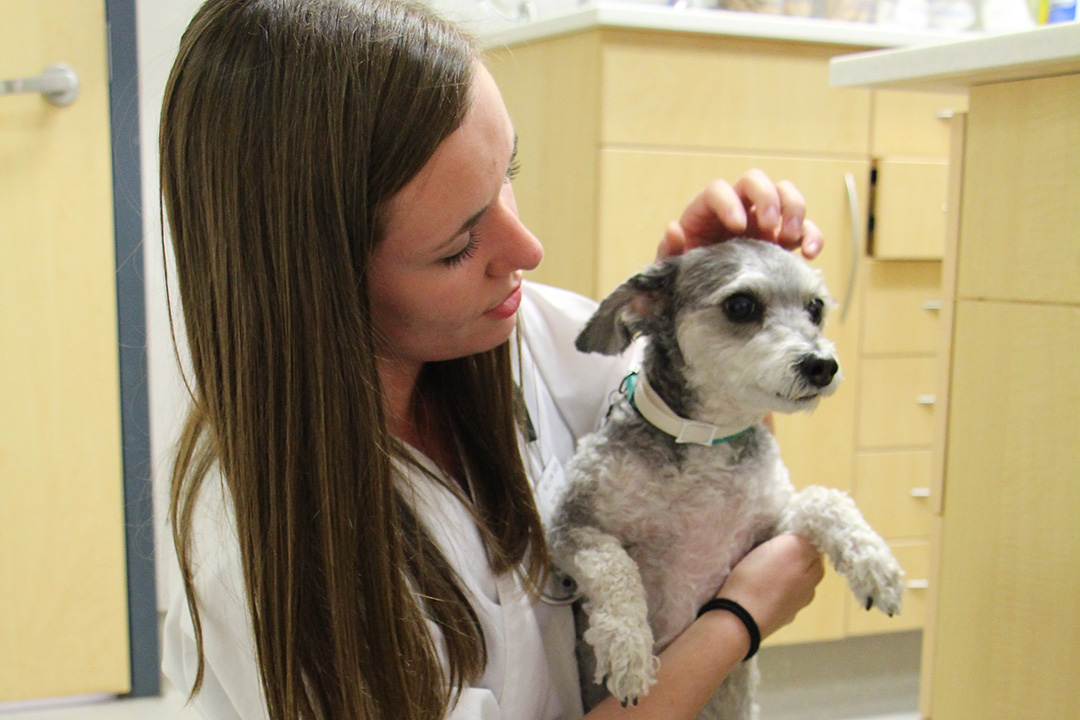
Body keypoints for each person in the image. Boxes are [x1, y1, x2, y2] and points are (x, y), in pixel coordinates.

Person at [158, 1, 826, 719]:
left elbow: (721, 474)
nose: (528, 251)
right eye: (458, 245)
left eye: (506, 171)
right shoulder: (268, 556)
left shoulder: (526, 335)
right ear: (318, 285)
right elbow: (741, 583)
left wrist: (707, 320)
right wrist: (739, 619)